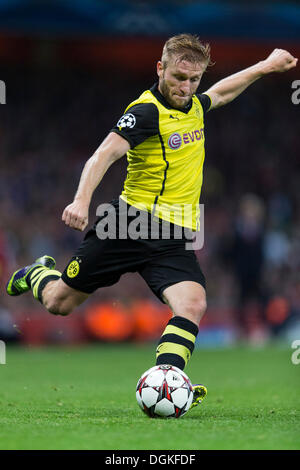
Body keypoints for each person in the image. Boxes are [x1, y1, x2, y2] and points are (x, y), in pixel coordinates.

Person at [6, 34, 297, 409]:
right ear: (160, 68)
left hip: (172, 235)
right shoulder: (144, 111)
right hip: (127, 226)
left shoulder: (193, 105)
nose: (186, 87)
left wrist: (265, 66)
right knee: (59, 303)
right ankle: (37, 273)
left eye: (194, 80)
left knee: (193, 304)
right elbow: (103, 155)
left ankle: (169, 379)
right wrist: (81, 200)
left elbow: (222, 93)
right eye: (179, 77)